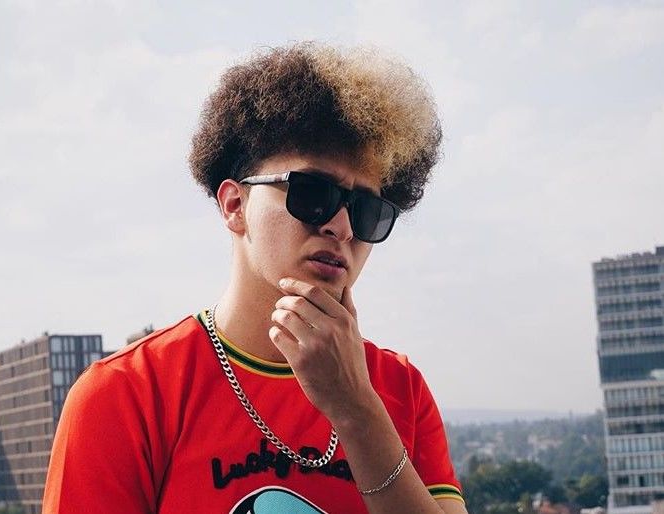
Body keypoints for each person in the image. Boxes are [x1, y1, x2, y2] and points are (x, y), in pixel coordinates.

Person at [43, 42, 467, 514]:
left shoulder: (400, 388)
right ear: (234, 205)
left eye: (368, 211)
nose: (342, 227)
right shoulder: (126, 396)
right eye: (313, 194)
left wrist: (356, 411)